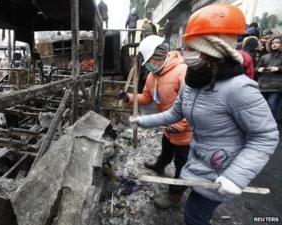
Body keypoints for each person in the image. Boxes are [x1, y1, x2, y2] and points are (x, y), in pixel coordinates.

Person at [129, 4, 279, 225]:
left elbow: (265, 136)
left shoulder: (239, 89)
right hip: (197, 159)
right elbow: (175, 113)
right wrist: (143, 121)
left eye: (191, 48)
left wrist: (235, 177)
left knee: (194, 216)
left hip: (221, 170)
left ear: (212, 50)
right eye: (186, 47)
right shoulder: (194, 82)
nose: (184, 53)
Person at [119, 35, 191, 208]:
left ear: (159, 57)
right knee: (166, 150)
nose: (148, 64)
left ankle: (174, 197)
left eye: (150, 60)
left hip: (187, 133)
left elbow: (193, 104)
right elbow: (147, 97)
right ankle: (159, 166)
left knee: (182, 165)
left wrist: (180, 126)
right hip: (167, 126)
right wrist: (129, 97)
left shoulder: (182, 72)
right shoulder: (153, 75)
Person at [256, 35, 282, 119]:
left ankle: (272, 124)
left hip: (276, 86)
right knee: (262, 106)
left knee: (272, 105)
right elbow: (256, 68)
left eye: (277, 42)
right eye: (273, 43)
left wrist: (278, 68)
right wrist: (259, 69)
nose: (274, 44)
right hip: (263, 85)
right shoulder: (265, 57)